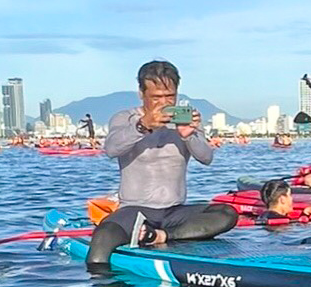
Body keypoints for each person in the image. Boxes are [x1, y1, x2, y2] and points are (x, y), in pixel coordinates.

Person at [89, 60, 237, 270]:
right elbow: (111, 150)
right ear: (142, 94)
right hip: (135, 209)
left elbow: (206, 158)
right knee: (102, 240)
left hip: (174, 212)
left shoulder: (185, 120)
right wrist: (143, 126)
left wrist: (189, 136)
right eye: (156, 97)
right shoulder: (126, 118)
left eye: (170, 96)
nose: (164, 103)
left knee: (227, 214)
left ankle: (159, 236)